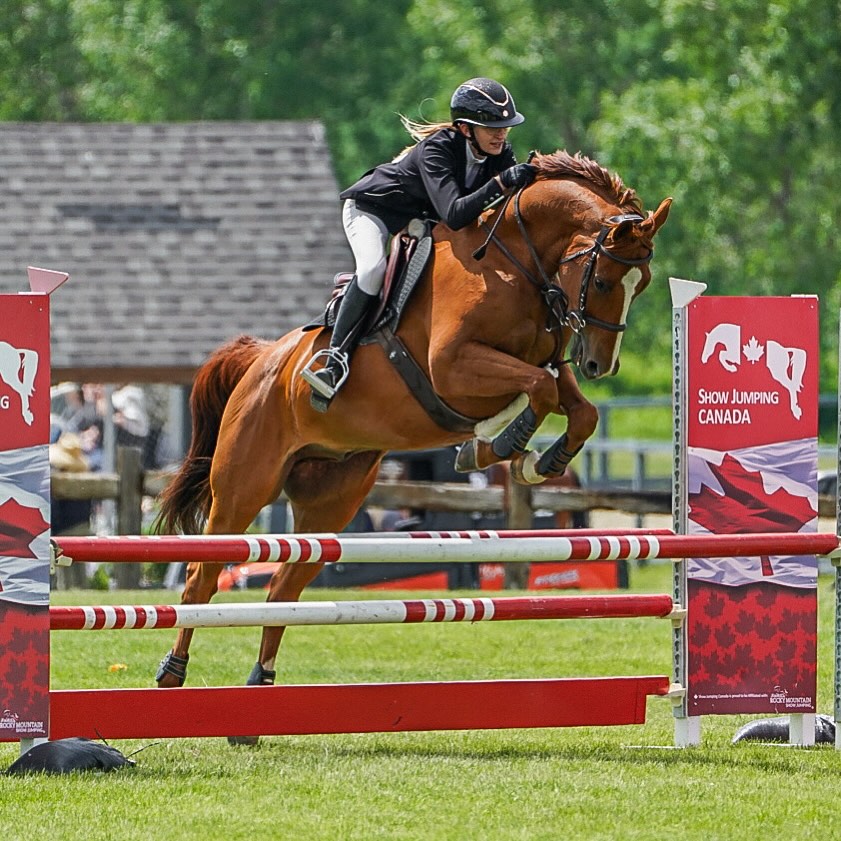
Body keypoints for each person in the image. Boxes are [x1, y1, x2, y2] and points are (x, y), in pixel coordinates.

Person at [301, 76, 536, 410]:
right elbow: (455, 214)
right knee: (372, 270)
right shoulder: (438, 149)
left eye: (505, 127)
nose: (501, 134)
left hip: (419, 222)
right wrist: (501, 182)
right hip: (373, 211)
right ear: (466, 129)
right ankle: (334, 359)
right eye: (491, 127)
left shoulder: (499, 153)